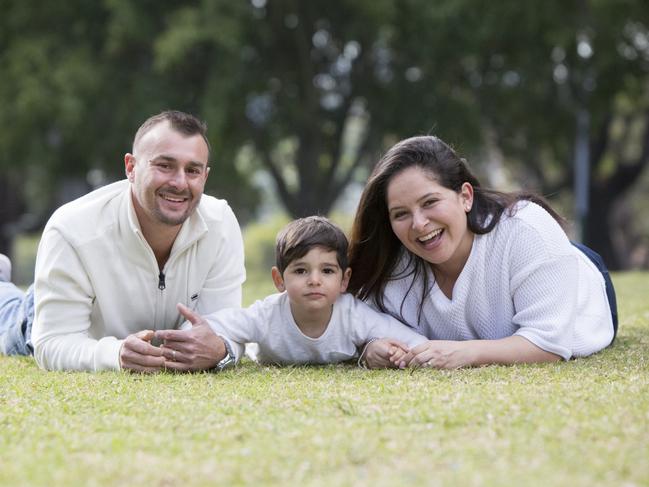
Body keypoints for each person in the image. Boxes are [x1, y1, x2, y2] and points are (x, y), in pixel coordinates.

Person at [0, 110, 245, 372]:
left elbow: (226, 324)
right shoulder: (72, 229)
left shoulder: (220, 223)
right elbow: (51, 342)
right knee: (10, 317)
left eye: (193, 170)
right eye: (165, 165)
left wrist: (220, 348)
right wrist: (115, 354)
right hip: (49, 310)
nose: (179, 182)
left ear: (205, 177)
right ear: (131, 167)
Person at [347, 135, 618, 369]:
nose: (418, 224)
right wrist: (370, 348)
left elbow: (548, 345)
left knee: (540, 250)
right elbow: (355, 323)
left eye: (430, 202)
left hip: (581, 281)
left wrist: (466, 353)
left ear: (465, 196)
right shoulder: (392, 264)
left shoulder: (528, 230)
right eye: (401, 214)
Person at [175, 216, 427, 367]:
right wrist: (185, 338)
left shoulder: (353, 314)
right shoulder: (266, 315)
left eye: (327, 271)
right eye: (301, 271)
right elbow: (219, 323)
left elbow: (411, 340)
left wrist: (402, 353)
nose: (314, 280)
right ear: (279, 279)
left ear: (344, 279)